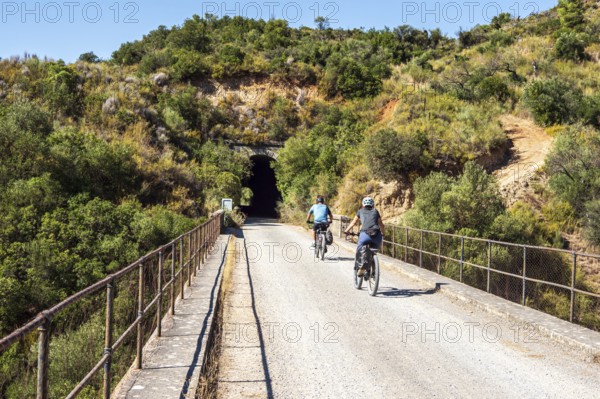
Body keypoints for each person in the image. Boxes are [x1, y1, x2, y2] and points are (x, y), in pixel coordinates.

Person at [344, 197, 385, 277]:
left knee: (359, 251)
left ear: (363, 204)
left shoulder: (360, 211)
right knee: (374, 251)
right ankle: (373, 270)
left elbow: (353, 222)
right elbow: (381, 224)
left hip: (365, 234)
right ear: (372, 204)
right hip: (376, 235)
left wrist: (346, 230)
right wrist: (383, 233)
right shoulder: (375, 211)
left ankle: (360, 267)